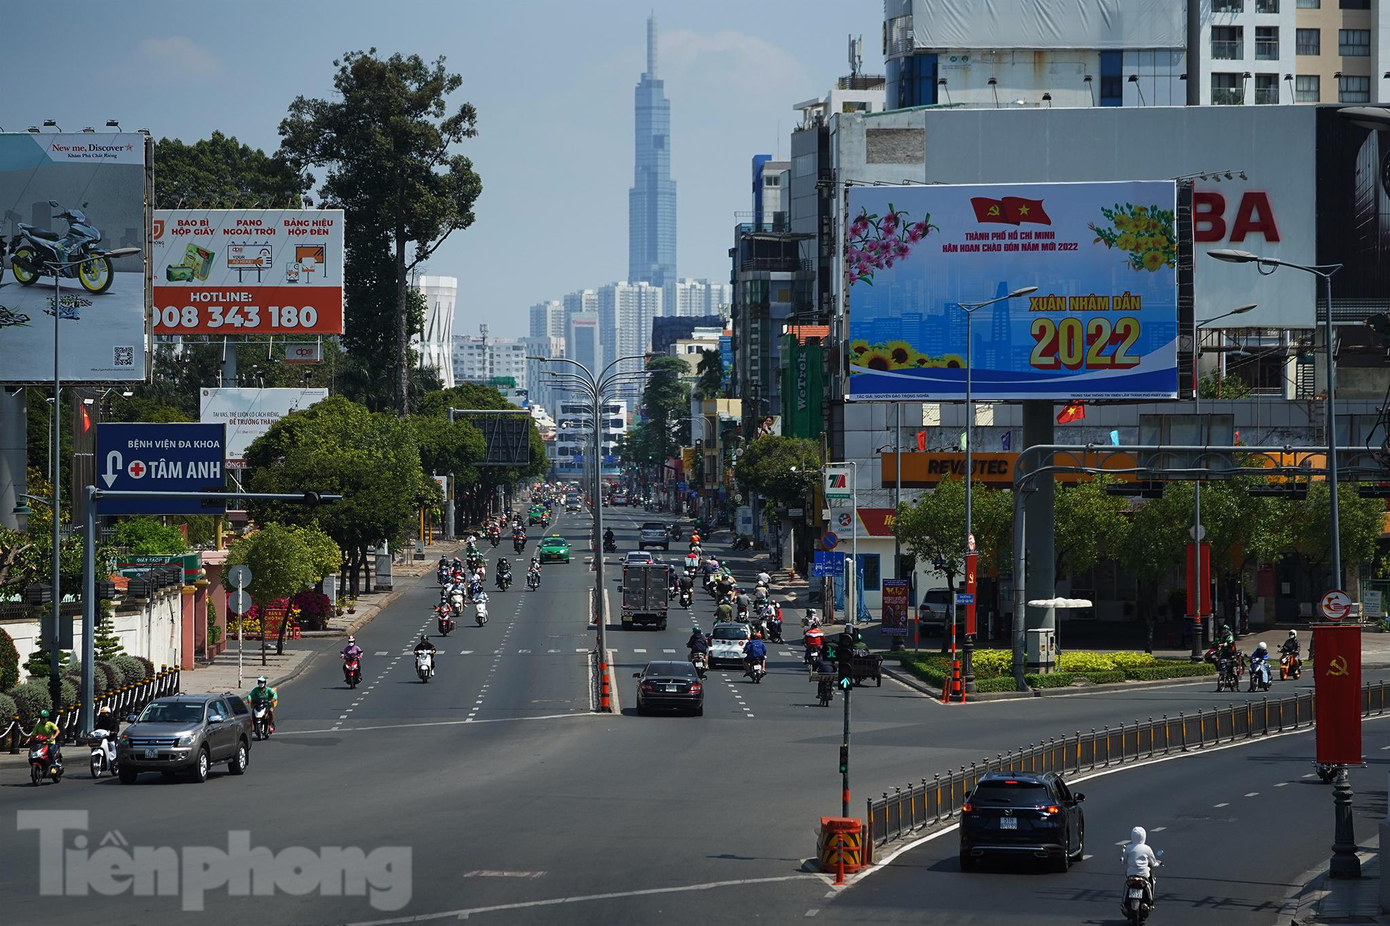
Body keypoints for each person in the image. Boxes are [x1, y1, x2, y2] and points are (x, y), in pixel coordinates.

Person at [1123, 826, 1161, 907]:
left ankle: (1124, 901)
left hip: (1130, 874)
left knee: (1126, 886)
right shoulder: (1147, 848)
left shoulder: (1128, 848)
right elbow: (1153, 862)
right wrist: (1157, 864)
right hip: (1144, 874)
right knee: (1151, 880)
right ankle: (1150, 901)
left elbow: (1124, 860)